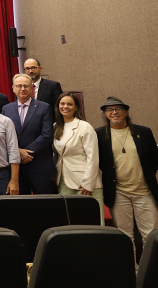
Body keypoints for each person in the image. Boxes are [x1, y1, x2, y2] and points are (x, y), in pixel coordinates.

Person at [96, 97, 158, 260]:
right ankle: (132, 271)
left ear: (126, 112)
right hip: (118, 194)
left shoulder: (144, 132)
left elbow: (154, 159)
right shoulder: (99, 135)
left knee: (151, 236)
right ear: (105, 114)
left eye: (118, 109)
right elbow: (99, 161)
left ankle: (150, 273)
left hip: (144, 192)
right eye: (109, 110)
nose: (114, 112)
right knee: (125, 237)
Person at [53, 93, 102, 224]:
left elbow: (93, 156)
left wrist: (88, 182)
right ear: (58, 107)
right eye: (62, 104)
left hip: (84, 181)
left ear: (76, 107)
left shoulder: (84, 126)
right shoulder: (56, 127)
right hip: (63, 179)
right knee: (70, 220)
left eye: (70, 104)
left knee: (90, 220)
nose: (65, 107)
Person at [2, 74, 55, 194]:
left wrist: (26, 153)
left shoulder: (44, 107)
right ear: (13, 88)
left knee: (45, 204)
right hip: (17, 168)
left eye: (26, 86)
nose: (22, 89)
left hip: (40, 165)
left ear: (31, 88)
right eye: (19, 86)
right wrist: (18, 152)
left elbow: (47, 135)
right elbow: (4, 136)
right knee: (22, 207)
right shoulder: (6, 109)